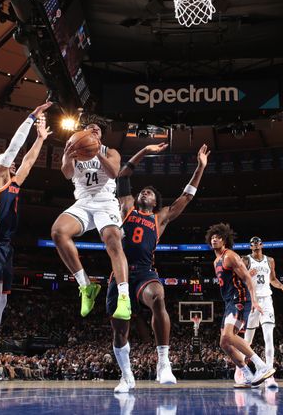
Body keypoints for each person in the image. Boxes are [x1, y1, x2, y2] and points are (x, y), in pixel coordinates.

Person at [107, 143, 210, 392]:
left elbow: (186, 196)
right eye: (143, 191)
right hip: (119, 272)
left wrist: (200, 167)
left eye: (150, 193)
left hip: (144, 270)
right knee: (120, 331)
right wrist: (144, 151)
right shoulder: (127, 207)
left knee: (158, 297)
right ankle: (126, 375)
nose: (145, 193)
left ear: (155, 202)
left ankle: (163, 363)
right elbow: (122, 175)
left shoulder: (159, 217)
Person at [0, 102, 52, 377]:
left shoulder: (14, 182)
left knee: (1, 301)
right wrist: (31, 118)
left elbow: (27, 160)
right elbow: (15, 149)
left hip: (5, 247)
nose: (12, 161)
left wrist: (40, 139)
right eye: (6, 160)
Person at [51, 120, 130, 320]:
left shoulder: (111, 151)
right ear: (82, 133)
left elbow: (114, 172)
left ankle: (124, 298)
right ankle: (86, 286)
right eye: (90, 128)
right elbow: (67, 173)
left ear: (100, 136)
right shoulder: (74, 147)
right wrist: (68, 158)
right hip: (84, 202)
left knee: (112, 239)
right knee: (58, 232)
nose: (95, 130)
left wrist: (97, 153)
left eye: (98, 129)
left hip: (105, 202)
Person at [207, 222, 275, 388]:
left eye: (218, 238)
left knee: (228, 336)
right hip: (229, 302)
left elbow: (246, 278)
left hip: (240, 300)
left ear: (225, 241)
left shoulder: (230, 256)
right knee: (224, 343)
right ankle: (247, 376)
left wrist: (255, 301)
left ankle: (261, 366)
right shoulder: (216, 261)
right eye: (212, 237)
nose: (214, 240)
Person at [235, 236, 283, 389]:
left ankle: (269, 376)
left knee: (269, 339)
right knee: (248, 341)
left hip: (266, 301)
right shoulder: (245, 259)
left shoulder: (270, 260)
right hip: (252, 301)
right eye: (253, 244)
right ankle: (241, 370)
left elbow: (272, 279)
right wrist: (246, 276)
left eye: (258, 243)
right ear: (250, 246)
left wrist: (281, 286)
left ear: (262, 245)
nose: (256, 246)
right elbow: (238, 279)